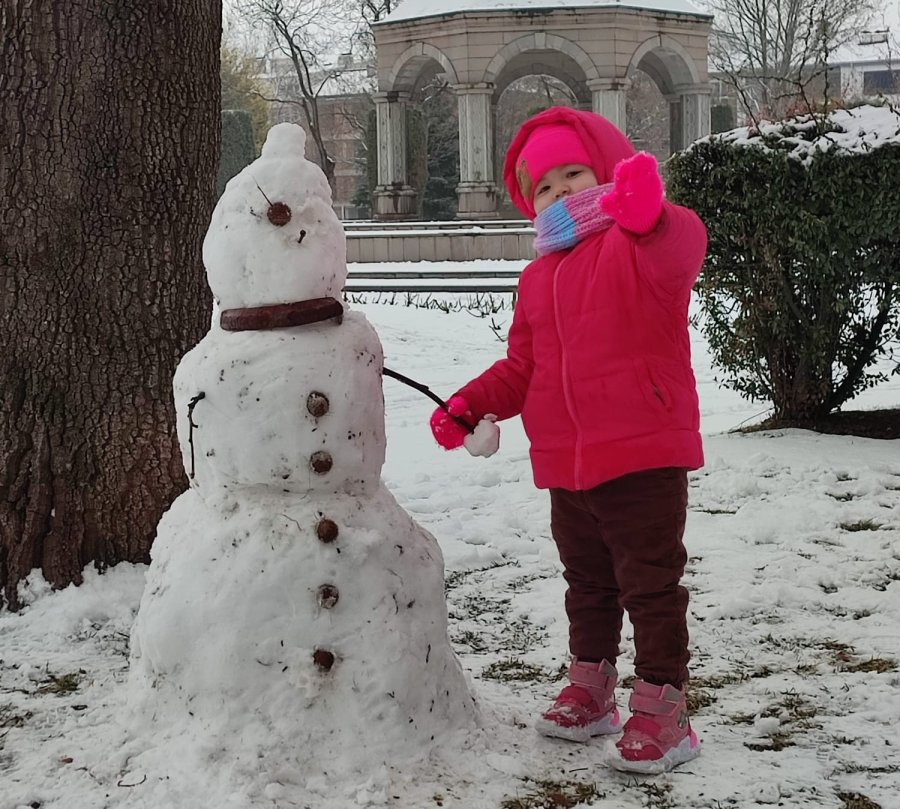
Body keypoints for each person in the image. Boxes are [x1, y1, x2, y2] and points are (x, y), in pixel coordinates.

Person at [429, 106, 707, 774]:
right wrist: (470, 402)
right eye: (544, 185)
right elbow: (524, 368)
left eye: (574, 173)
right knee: (587, 584)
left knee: (650, 585)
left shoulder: (637, 243)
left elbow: (683, 247)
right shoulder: (540, 276)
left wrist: (651, 212)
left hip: (641, 453)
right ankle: (592, 687)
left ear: (605, 172)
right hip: (568, 468)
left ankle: (664, 708)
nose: (560, 191)